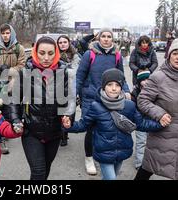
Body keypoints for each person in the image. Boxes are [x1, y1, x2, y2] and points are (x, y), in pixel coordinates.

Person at [64, 69, 163, 180]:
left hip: (121, 152)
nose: (114, 88)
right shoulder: (96, 106)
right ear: (103, 86)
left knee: (110, 177)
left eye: (117, 85)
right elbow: (83, 125)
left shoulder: (129, 106)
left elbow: (141, 124)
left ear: (121, 87)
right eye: (110, 84)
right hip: (103, 154)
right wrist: (68, 126)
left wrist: (160, 124)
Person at [134, 38, 178, 180]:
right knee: (149, 167)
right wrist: (159, 114)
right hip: (165, 134)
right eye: (175, 53)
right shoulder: (158, 77)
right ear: (169, 55)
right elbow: (142, 100)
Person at [9, 36, 75, 180]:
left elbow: (69, 100)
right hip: (31, 131)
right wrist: (15, 119)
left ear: (56, 53)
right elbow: (14, 100)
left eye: (50, 53)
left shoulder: (64, 73)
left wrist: (68, 116)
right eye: (42, 53)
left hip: (54, 131)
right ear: (35, 52)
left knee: (45, 170)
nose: (46, 58)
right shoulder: (24, 73)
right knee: (38, 172)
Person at [75, 28, 131, 175]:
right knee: (90, 128)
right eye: (103, 36)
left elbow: (121, 76)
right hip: (90, 98)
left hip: (109, 99)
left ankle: (102, 157)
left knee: (106, 128)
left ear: (112, 39)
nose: (106, 39)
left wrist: (125, 90)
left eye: (109, 37)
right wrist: (73, 94)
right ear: (98, 39)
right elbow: (80, 76)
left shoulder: (116, 55)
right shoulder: (90, 54)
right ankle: (89, 158)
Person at [0, 23, 27, 154]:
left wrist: (8, 71)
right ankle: (1, 138)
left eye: (7, 33)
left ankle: (8, 129)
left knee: (11, 108)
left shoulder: (19, 48)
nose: (5, 36)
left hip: (15, 82)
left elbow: (21, 66)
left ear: (11, 33)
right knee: (0, 108)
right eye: (3, 33)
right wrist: (0, 70)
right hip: (0, 83)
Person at [57, 35, 80, 147]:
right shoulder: (54, 55)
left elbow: (75, 71)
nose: (62, 44)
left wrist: (63, 68)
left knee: (70, 111)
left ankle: (66, 133)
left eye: (64, 42)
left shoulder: (75, 55)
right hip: (58, 86)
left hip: (71, 86)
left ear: (69, 43)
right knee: (60, 110)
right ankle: (61, 135)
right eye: (60, 42)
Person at [130, 69, 151, 170]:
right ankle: (140, 164)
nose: (146, 81)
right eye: (144, 79)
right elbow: (133, 107)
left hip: (151, 121)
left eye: (148, 79)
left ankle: (149, 161)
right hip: (140, 121)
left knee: (150, 142)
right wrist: (137, 118)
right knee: (141, 142)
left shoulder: (154, 91)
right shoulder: (135, 92)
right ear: (139, 81)